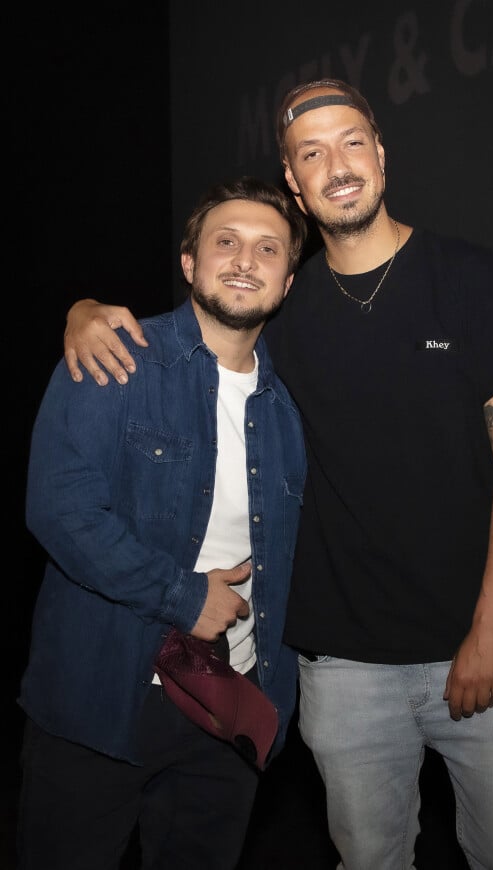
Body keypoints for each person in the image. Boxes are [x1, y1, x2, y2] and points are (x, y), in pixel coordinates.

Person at [59, 80, 493, 870]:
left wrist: (491, 629)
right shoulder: (282, 314)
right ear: (294, 182)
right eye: (312, 153)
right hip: (342, 670)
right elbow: (191, 330)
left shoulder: (474, 280)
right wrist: (83, 309)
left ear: (381, 156)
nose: (337, 165)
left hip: (484, 646)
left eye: (352, 142)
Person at [18, 176, 308, 870]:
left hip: (229, 713)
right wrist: (185, 597)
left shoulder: (292, 408)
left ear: (289, 281)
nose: (245, 260)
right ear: (189, 263)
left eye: (268, 249)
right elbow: (60, 510)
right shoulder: (116, 356)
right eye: (226, 242)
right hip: (101, 704)